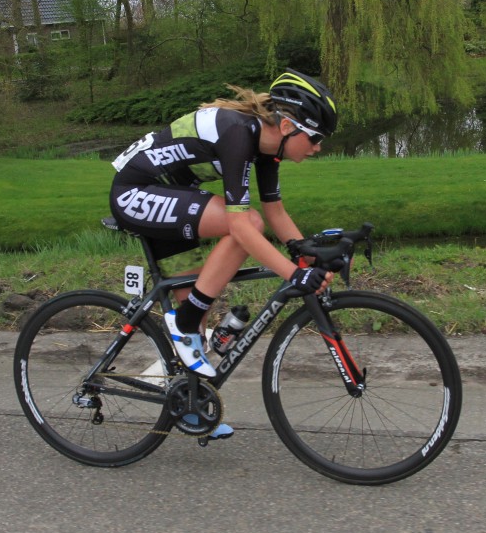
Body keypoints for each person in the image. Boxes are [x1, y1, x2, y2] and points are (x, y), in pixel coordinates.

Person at [109, 69, 338, 440]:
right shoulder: (237, 133)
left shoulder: (268, 151)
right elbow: (244, 228)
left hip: (172, 197)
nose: (317, 147)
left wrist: (311, 258)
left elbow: (277, 212)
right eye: (315, 138)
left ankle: (192, 407)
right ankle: (184, 322)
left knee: (196, 315)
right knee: (244, 222)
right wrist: (292, 274)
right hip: (135, 193)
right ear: (286, 127)